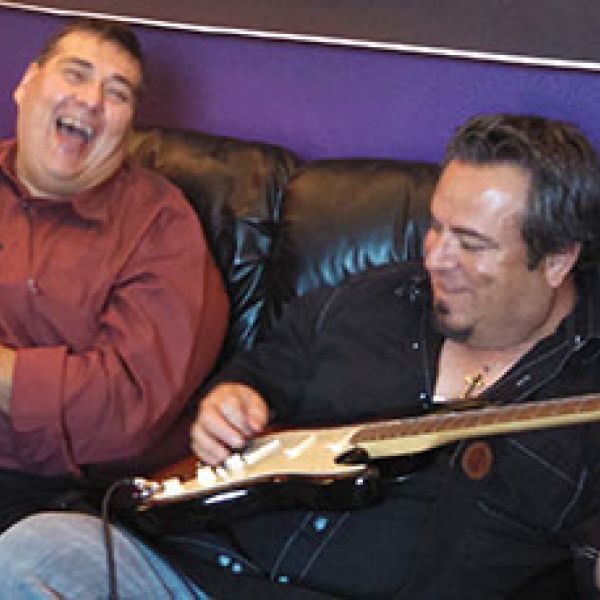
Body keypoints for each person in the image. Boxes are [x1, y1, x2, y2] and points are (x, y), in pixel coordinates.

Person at [1, 113, 600, 599]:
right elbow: (257, 373)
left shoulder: (585, 398)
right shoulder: (367, 302)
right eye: (436, 227)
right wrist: (231, 400)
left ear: (557, 260)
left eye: (471, 244)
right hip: (202, 573)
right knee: (36, 552)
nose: (436, 258)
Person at [0, 17, 229, 529]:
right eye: (75, 74)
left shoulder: (160, 227)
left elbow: (123, 416)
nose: (90, 100)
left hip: (68, 500)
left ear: (129, 125)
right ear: (26, 83)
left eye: (117, 93)